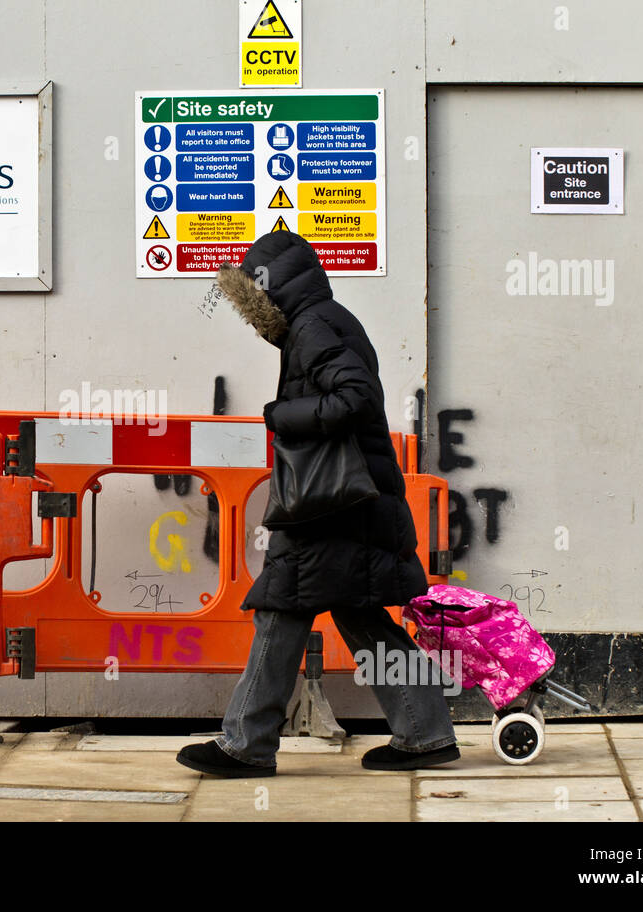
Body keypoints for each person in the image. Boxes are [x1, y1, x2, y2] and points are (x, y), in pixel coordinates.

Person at [175, 231, 459, 775]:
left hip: (332, 506)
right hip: (350, 502)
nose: (254, 319)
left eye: (254, 302)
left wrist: (279, 415)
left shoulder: (312, 327)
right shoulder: (324, 321)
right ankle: (424, 733)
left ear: (272, 288)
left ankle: (246, 744)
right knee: (358, 614)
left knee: (282, 607)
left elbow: (355, 398)